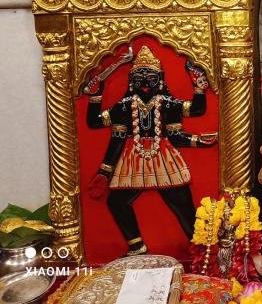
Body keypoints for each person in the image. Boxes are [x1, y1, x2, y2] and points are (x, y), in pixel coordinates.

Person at [85, 44, 217, 255]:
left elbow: (193, 114)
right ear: (131, 81)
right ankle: (137, 246)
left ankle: (205, 250)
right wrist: (95, 97)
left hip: (163, 159)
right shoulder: (125, 105)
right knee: (116, 202)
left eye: (151, 78)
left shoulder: (166, 102)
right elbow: (98, 124)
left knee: (183, 206)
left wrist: (198, 138)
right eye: (139, 79)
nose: (145, 84)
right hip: (133, 160)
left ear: (160, 80)